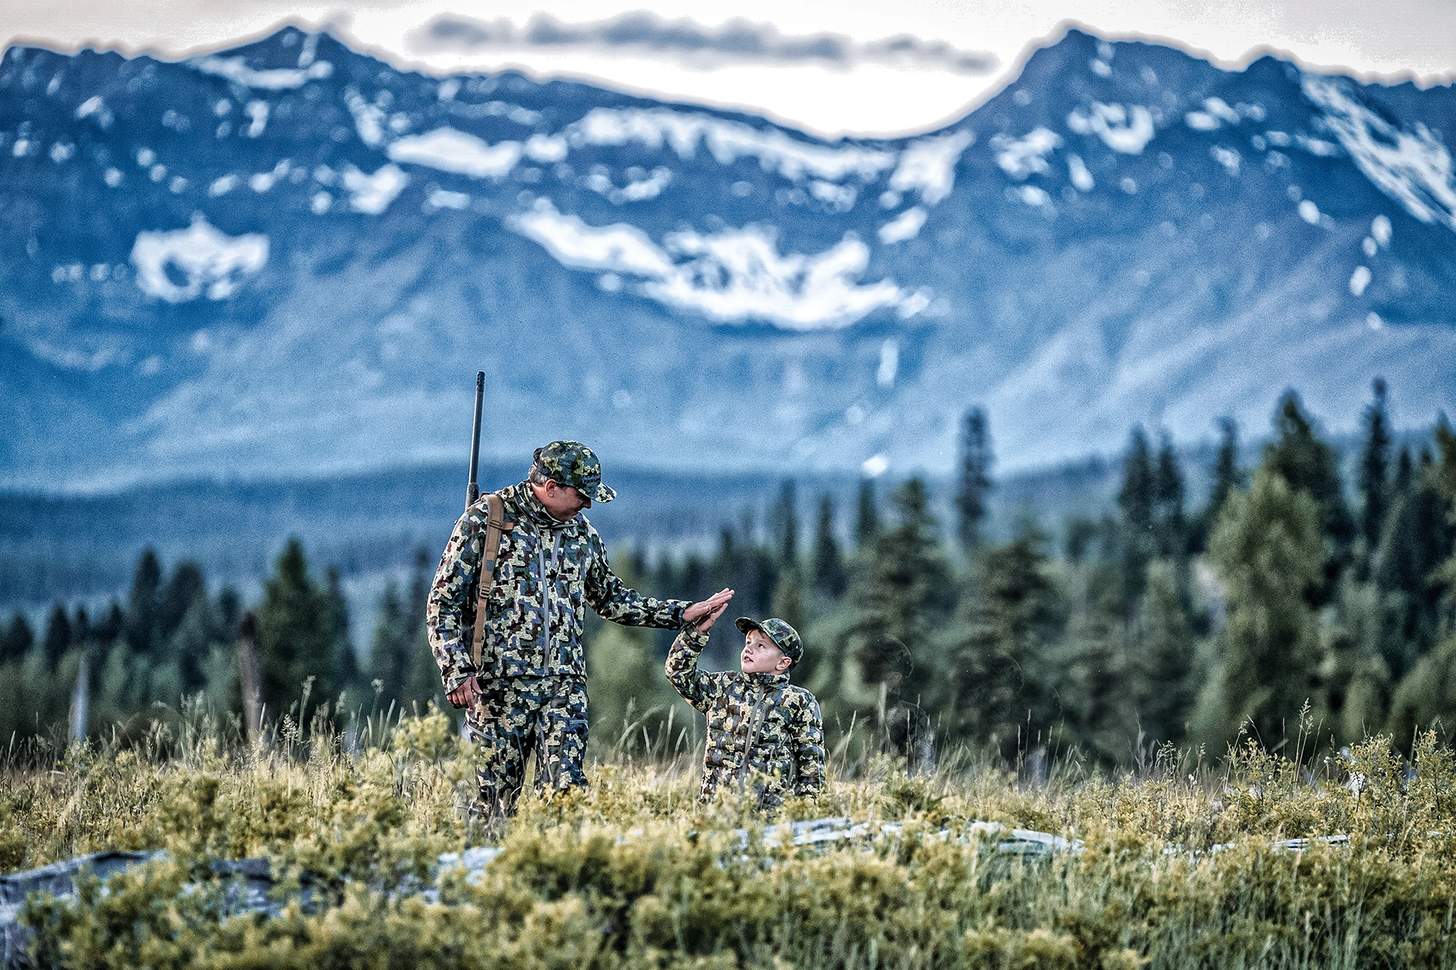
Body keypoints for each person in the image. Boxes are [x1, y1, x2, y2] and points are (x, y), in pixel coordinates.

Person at [426, 439, 733, 824]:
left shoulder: (581, 533)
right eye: (581, 495)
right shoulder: (485, 521)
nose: (587, 505)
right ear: (550, 486)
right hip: (498, 689)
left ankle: (566, 875)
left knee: (567, 800)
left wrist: (681, 613)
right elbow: (443, 603)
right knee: (491, 805)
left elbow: (611, 598)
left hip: (564, 688)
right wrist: (457, 670)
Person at [665, 600, 826, 811]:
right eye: (748, 642)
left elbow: (811, 766)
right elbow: (677, 672)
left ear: (782, 663)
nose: (749, 649)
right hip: (715, 811)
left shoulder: (798, 701)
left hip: (771, 817)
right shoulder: (722, 687)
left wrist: (806, 814)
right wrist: (696, 633)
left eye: (761, 645)